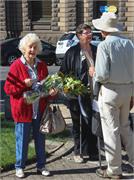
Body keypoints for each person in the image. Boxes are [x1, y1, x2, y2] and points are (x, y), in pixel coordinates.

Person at [4, 33, 58, 178]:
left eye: (35, 47)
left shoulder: (41, 65)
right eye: (30, 47)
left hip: (39, 109)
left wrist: (52, 91)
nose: (33, 50)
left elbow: (48, 86)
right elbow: (8, 89)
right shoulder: (16, 66)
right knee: (22, 139)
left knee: (41, 139)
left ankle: (41, 166)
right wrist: (23, 84)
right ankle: (19, 167)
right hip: (23, 110)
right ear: (23, 48)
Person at [91, 12, 134, 179]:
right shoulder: (129, 44)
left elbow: (101, 74)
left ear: (103, 30)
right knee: (125, 127)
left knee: (111, 131)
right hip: (127, 90)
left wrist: (94, 73)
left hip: (110, 91)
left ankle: (114, 169)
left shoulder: (104, 45)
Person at [60, 24, 98, 163]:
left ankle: (92, 150)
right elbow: (62, 72)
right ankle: (78, 151)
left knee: (93, 122)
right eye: (86, 33)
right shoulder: (72, 52)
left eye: (90, 32)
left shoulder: (96, 50)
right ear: (78, 35)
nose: (89, 35)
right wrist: (68, 86)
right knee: (77, 124)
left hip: (93, 94)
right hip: (76, 94)